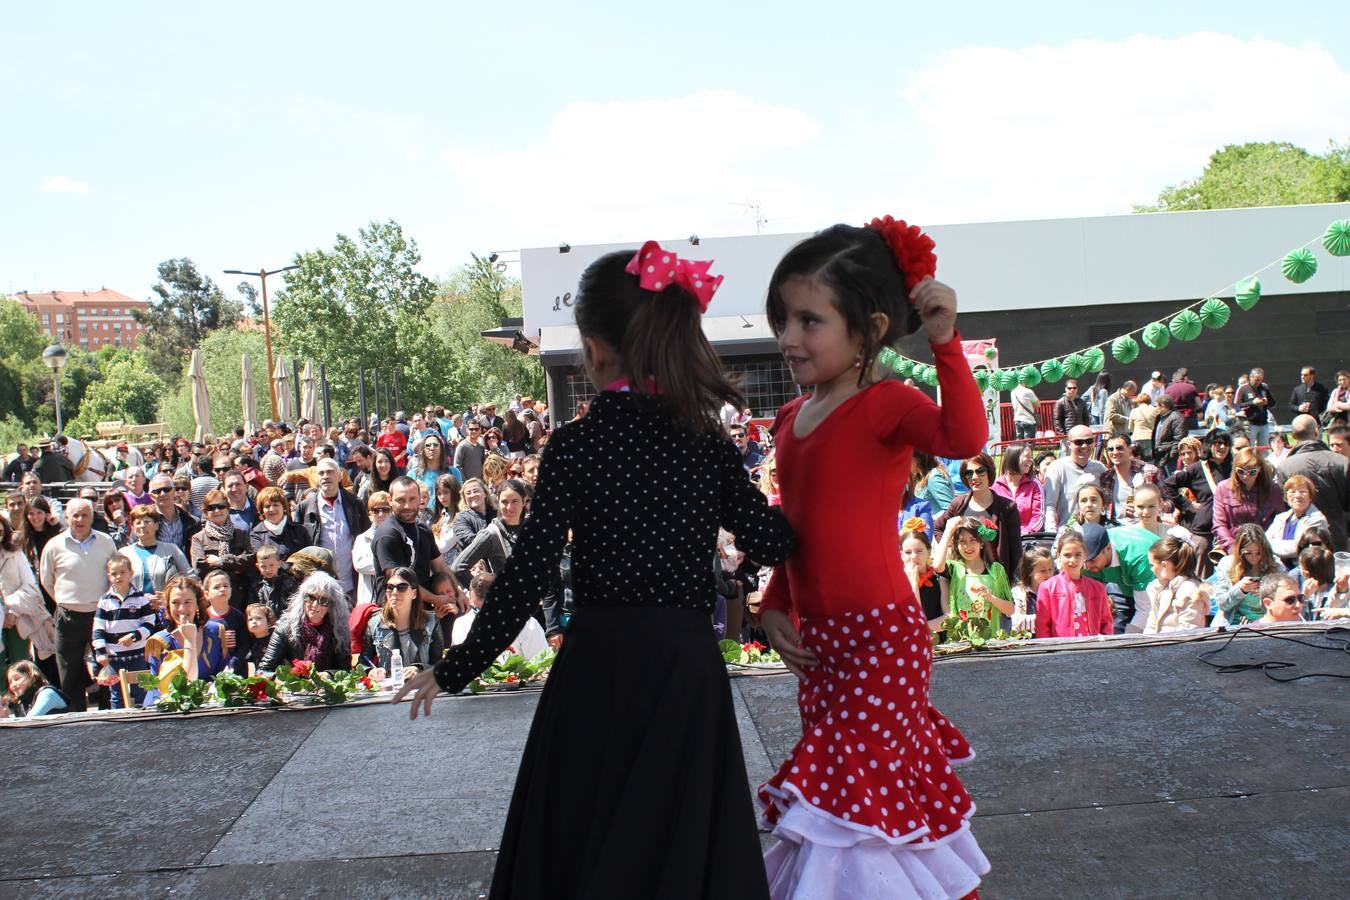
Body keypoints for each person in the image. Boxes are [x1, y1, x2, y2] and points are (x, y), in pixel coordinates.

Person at [394, 237, 796, 898]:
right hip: (682, 668)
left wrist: (454, 667)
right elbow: (773, 540)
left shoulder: (577, 447)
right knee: (680, 847)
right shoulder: (704, 443)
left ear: (595, 348)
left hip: (598, 669)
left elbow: (526, 575)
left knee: (585, 847)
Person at [38, 498, 116, 712]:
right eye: (75, 515)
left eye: (85, 515)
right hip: (68, 616)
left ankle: (109, 711)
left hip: (100, 615)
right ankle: (75, 715)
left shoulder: (106, 542)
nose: (80, 519)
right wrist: (66, 600)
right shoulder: (54, 545)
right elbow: (46, 580)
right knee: (69, 671)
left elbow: (114, 574)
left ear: (92, 517)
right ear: (66, 517)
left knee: (107, 664)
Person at [372, 476, 457, 615]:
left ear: (420, 499)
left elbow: (439, 566)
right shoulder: (387, 534)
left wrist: (458, 592)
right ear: (390, 500)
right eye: (401, 500)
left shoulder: (422, 528)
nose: (407, 506)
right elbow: (399, 581)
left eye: (412, 499)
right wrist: (436, 599)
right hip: (396, 615)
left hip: (422, 612)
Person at [933, 452, 1022, 575]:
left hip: (996, 577)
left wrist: (1016, 581)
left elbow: (1016, 550)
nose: (974, 477)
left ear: (989, 472)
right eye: (969, 473)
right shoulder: (958, 504)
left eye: (980, 471)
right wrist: (949, 547)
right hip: (963, 577)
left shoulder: (1007, 507)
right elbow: (938, 527)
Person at [295, 458, 370, 600]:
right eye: (321, 473)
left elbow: (365, 537)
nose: (325, 476)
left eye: (330, 472)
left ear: (339, 475)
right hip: (319, 586)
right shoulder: (304, 508)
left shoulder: (355, 504)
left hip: (350, 583)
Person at [144, 574, 230, 690]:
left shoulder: (216, 632)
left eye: (187, 602)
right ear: (168, 607)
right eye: (175, 603)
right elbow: (157, 687)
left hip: (211, 703)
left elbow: (223, 675)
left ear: (197, 605)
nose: (181, 609)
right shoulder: (159, 642)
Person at [91, 555, 156, 708]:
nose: (118, 576)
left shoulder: (141, 599)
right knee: (117, 694)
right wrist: (100, 652)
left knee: (141, 690)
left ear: (131, 573)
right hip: (114, 657)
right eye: (114, 573)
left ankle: (143, 721)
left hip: (137, 654)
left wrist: (134, 637)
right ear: (108, 576)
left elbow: (150, 624)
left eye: (122, 572)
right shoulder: (105, 601)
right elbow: (98, 628)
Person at [1277, 414, 1349, 551]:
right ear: (1317, 431)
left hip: (1303, 539)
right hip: (1337, 536)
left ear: (1293, 435)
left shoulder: (1284, 467)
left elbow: (1285, 505)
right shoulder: (1342, 462)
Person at [258, 571, 353, 673]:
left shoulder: (339, 631)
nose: (315, 605)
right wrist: (282, 679)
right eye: (311, 598)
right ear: (303, 599)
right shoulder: (285, 628)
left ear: (332, 606)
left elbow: (345, 670)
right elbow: (264, 670)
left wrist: (328, 675)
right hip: (293, 686)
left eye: (323, 601)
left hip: (328, 686)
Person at [365, 565, 444, 679]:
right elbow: (363, 663)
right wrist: (371, 671)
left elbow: (439, 664)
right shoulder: (374, 624)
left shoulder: (431, 622)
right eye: (390, 587)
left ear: (414, 593)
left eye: (401, 587)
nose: (395, 592)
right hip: (388, 690)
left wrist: (419, 669)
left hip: (420, 688)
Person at [1081, 521, 1158, 634]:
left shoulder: (1138, 558)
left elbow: (1145, 609)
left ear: (1107, 548)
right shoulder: (1087, 563)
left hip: (1158, 592)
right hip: (1123, 585)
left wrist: (1126, 644)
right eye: (1084, 561)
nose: (1087, 567)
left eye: (1092, 560)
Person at [1035, 532, 1112, 638]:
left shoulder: (1097, 588)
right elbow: (1042, 625)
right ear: (1059, 556)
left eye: (1078, 554)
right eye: (1067, 555)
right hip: (1061, 648)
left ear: (1085, 555)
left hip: (1092, 648)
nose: (1073, 560)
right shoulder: (1047, 587)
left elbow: (1106, 622)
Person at [1212, 448, 1286, 554]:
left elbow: (1281, 521)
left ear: (1260, 469)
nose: (1245, 476)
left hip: (1265, 547)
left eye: (1252, 472)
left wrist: (1266, 547)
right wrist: (1233, 548)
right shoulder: (1223, 488)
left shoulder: (1273, 489)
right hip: (1233, 546)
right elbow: (1219, 524)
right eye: (1240, 471)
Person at [1208, 524, 1285, 626]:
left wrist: (1266, 594)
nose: (1254, 557)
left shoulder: (1275, 567)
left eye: (1258, 553)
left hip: (1266, 623)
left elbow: (1284, 603)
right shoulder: (1227, 564)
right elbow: (1222, 604)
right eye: (1248, 553)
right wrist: (1240, 589)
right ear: (1240, 552)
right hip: (1233, 624)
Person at [189, 489, 253, 609]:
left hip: (240, 595)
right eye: (211, 508)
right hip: (212, 600)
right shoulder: (198, 538)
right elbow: (200, 567)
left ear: (228, 509)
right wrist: (235, 564)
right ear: (205, 512)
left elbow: (249, 560)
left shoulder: (241, 534)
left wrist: (221, 561)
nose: (217, 511)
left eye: (221, 506)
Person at [119, 505, 191, 610]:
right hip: (133, 613)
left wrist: (169, 596)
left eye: (147, 521)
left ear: (156, 525)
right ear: (133, 527)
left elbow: (190, 578)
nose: (142, 526)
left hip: (166, 611)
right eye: (138, 523)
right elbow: (116, 584)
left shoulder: (171, 550)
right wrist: (140, 599)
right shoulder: (123, 554)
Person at [1042, 425, 1107, 532]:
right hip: (1066, 534)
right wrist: (1051, 534)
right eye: (1078, 442)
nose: (1084, 446)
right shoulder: (1057, 468)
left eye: (1089, 441)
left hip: (1094, 531)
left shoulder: (1100, 469)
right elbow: (1050, 505)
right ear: (1069, 444)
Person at [1143, 536, 1207, 633]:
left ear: (1164, 565)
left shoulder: (1190, 590)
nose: (1151, 569)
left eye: (1152, 565)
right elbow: (1151, 626)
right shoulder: (1160, 588)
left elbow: (1190, 632)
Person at [1264, 475, 1329, 567]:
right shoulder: (1280, 518)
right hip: (1279, 568)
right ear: (1286, 496)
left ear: (1311, 496)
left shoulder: (1317, 519)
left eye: (1303, 491)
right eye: (1292, 492)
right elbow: (1264, 540)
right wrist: (1267, 543)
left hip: (1305, 570)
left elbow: (1298, 548)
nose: (1297, 496)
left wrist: (1270, 544)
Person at [1098, 437, 1158, 523]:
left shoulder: (1149, 472)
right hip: (1115, 526)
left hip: (1145, 525)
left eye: (1119, 448)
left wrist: (1146, 505)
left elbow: (1168, 502)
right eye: (1111, 449)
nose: (1115, 452)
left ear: (1130, 449)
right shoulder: (1106, 477)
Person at [900, 521, 947, 631]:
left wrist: (921, 628)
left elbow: (949, 618)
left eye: (919, 551)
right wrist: (914, 584)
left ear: (929, 552)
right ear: (901, 554)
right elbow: (911, 619)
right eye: (908, 552)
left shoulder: (939, 578)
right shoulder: (896, 582)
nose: (914, 557)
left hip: (938, 643)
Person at [248, 486, 310, 565]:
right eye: (267, 506)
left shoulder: (300, 530)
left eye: (275, 505)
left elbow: (309, 557)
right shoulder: (256, 534)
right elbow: (262, 560)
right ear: (262, 510)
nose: (272, 509)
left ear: (283, 507)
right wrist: (288, 568)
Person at [353, 491, 393, 607]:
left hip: (394, 598)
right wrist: (389, 564)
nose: (381, 514)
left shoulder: (399, 536)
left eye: (385, 510)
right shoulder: (362, 538)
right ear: (370, 514)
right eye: (376, 510)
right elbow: (360, 565)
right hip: (370, 600)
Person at [993, 443, 1043, 532]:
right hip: (1002, 538)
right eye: (1027, 456)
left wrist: (1025, 533)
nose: (1031, 460)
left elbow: (1038, 516)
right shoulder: (995, 486)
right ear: (1013, 458)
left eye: (1031, 457)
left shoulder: (1034, 485)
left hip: (1027, 539)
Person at [146, 473, 199, 556]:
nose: (163, 493)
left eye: (167, 489)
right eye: (157, 491)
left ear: (174, 491)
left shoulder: (192, 521)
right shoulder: (145, 521)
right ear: (151, 496)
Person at [1012, 545, 1054, 634]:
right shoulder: (1019, 593)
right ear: (1030, 571)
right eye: (1043, 571)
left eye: (1050, 569)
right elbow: (1015, 620)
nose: (1048, 574)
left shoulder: (1056, 591)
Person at [3, 660, 67, 717]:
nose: (12, 685)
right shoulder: (22, 702)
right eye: (10, 682)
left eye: (17, 679)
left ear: (33, 677)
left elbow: (30, 720)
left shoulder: (47, 693)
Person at [248, 544, 297, 618]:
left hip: (284, 625)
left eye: (271, 565)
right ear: (258, 566)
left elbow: (292, 609)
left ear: (279, 564)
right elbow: (253, 610)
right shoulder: (256, 587)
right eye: (263, 566)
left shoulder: (289, 583)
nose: (268, 569)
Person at [1234, 368, 1275, 450]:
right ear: (1250, 377)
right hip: (1250, 423)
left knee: (1264, 449)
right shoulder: (1243, 388)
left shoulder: (1264, 387)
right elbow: (1237, 405)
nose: (1258, 382)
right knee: (1250, 448)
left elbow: (1273, 402)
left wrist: (1266, 402)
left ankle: (1263, 462)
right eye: (1256, 380)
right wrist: (1252, 403)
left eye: (1260, 380)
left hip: (1264, 423)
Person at [1151, 395, 1187, 473]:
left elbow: (1179, 439)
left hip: (1169, 458)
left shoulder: (1177, 418)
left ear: (1163, 406)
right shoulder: (1160, 417)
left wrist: (1172, 456)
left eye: (1156, 406)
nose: (1155, 408)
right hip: (1160, 455)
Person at [1128, 394, 1159, 462]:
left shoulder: (1134, 411)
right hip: (1150, 437)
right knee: (1149, 460)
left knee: (1137, 460)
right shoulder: (1155, 410)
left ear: (1139, 400)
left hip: (1137, 437)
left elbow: (1130, 428)